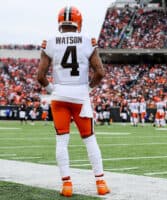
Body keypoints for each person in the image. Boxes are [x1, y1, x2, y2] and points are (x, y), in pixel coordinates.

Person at [37, 6, 110, 197]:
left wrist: (53, 90)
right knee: (90, 140)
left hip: (59, 95)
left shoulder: (50, 42)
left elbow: (40, 76)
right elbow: (100, 72)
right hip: (80, 96)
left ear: (60, 21)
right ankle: (100, 182)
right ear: (78, 21)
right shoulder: (88, 40)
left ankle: (67, 185)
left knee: (62, 142)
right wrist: (88, 89)